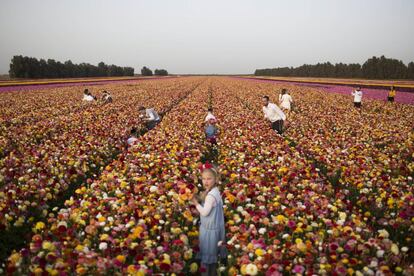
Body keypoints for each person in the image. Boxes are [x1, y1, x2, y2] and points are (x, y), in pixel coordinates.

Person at [190, 164, 226, 276]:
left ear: (216, 179)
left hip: (210, 231)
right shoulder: (213, 191)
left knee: (208, 258)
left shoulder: (211, 196)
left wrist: (195, 203)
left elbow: (205, 212)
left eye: (209, 178)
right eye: (203, 178)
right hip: (211, 228)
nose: (206, 181)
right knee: (212, 257)